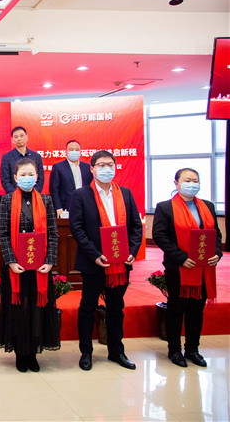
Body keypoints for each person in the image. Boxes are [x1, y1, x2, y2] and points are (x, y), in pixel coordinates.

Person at [69, 150, 142, 371]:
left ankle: (116, 351)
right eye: (101, 165)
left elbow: (136, 227)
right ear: (92, 169)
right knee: (87, 307)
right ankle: (86, 352)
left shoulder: (125, 193)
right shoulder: (81, 195)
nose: (106, 169)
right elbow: (77, 229)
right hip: (94, 263)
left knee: (116, 308)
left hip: (121, 264)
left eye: (110, 165)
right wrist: (95, 254)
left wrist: (132, 251)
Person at [152, 168, 222, 368]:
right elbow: (160, 235)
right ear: (177, 183)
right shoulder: (165, 207)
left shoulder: (207, 206)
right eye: (188, 180)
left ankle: (192, 349)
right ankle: (174, 350)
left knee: (197, 310)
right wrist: (181, 258)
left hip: (203, 268)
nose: (192, 184)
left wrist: (217, 253)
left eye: (195, 180)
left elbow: (216, 234)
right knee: (176, 308)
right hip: (178, 268)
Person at [0, 158, 60, 372]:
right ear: (15, 177)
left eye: (31, 174)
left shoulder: (46, 200)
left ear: (37, 177)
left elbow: (53, 233)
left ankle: (33, 353)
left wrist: (50, 261)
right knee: (18, 309)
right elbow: (3, 234)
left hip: (40, 268)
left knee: (36, 309)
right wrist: (11, 261)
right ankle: (20, 353)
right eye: (23, 175)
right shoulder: (6, 201)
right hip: (16, 268)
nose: (27, 178)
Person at [50, 140, 93, 218]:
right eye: (71, 149)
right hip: (65, 207)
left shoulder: (87, 167)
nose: (74, 152)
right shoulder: (58, 167)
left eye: (77, 150)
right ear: (66, 151)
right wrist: (58, 207)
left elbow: (91, 187)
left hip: (84, 205)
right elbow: (54, 189)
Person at [0, 126, 44, 194]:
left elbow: (40, 179)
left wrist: (33, 194)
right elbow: (5, 181)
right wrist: (16, 195)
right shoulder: (6, 157)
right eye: (16, 137)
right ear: (12, 140)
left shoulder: (36, 157)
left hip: (34, 196)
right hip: (14, 196)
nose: (19, 139)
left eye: (21, 136)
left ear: (26, 137)